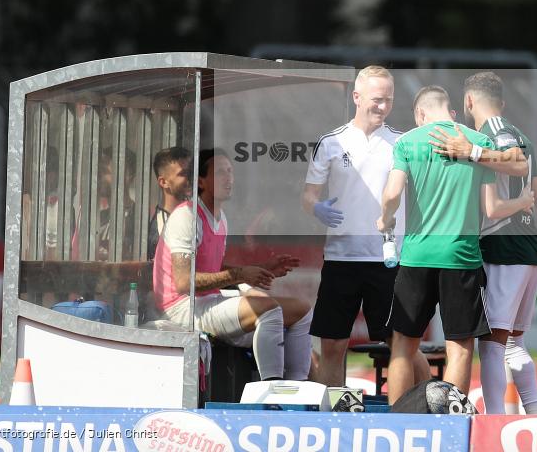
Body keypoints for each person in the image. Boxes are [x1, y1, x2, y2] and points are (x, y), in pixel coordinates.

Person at [377, 86, 535, 404]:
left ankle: (395, 421)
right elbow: (491, 208)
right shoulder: (477, 141)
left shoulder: (408, 141)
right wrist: (521, 201)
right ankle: (451, 424)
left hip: (417, 257)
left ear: (420, 114)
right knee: (459, 347)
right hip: (461, 257)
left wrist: (386, 219)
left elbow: (392, 194)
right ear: (449, 110)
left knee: (403, 346)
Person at [432, 71, 537, 414]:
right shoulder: (519, 133)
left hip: (503, 249)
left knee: (493, 344)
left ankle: (495, 421)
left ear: (468, 101)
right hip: (528, 250)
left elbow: (516, 164)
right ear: (503, 101)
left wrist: (473, 152)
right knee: (514, 342)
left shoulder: (494, 133)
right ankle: (534, 415)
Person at [302, 65, 429, 387]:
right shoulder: (330, 142)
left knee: (402, 345)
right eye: (376, 99)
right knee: (332, 345)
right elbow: (308, 196)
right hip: (341, 259)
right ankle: (334, 415)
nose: (382, 106)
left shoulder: (403, 142)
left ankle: (432, 407)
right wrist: (316, 208)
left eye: (388, 100)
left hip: (389, 260)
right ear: (357, 97)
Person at [153, 148, 313, 381]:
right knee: (268, 308)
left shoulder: (220, 217)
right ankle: (272, 389)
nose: (229, 178)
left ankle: (298, 388)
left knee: (302, 310)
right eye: (220, 173)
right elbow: (184, 282)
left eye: (230, 171)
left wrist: (261, 267)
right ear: (201, 181)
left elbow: (212, 267)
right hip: (182, 308)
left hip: (208, 301)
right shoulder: (187, 216)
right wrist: (241, 274)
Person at [148, 146, 192, 261]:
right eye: (183, 174)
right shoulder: (161, 228)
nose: (191, 179)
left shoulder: (197, 215)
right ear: (163, 182)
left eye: (191, 173)